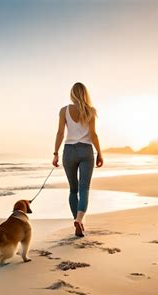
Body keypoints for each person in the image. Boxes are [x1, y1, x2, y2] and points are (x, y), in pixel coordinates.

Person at [52, 82, 103, 237]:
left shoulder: (64, 111)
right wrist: (100, 153)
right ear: (85, 94)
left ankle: (77, 221)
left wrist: (55, 153)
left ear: (72, 94)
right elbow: (93, 135)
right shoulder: (91, 111)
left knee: (73, 190)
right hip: (86, 151)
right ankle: (79, 220)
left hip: (69, 151)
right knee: (84, 189)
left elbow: (60, 133)